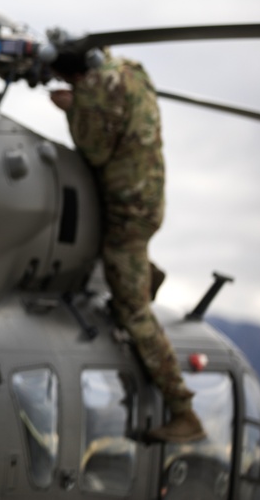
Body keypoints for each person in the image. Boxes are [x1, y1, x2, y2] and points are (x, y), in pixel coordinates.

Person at [49, 48, 206, 444]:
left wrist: (72, 108)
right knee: (124, 267)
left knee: (133, 312)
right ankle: (141, 275)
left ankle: (184, 411)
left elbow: (96, 149)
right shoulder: (131, 72)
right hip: (147, 200)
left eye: (71, 81)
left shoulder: (98, 88)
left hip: (126, 212)